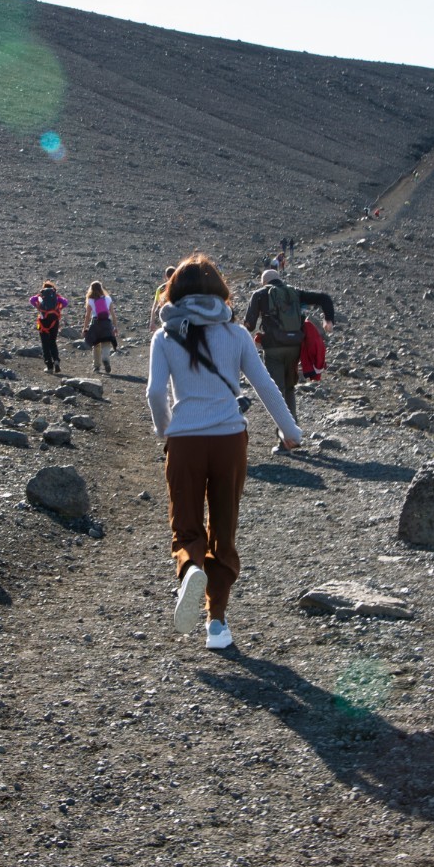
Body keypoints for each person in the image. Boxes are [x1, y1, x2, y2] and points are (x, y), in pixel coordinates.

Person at [147, 253, 302, 651]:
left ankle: (191, 570)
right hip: (230, 440)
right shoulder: (235, 335)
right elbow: (266, 385)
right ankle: (217, 623)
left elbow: (154, 394)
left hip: (184, 442)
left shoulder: (164, 338)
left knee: (186, 526)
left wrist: (168, 432)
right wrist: (290, 431)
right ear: (219, 291)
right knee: (225, 528)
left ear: (174, 292)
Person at [241, 268, 336, 429]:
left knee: (277, 392)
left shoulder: (260, 294)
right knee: (290, 388)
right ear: (279, 279)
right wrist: (329, 320)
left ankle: (284, 437)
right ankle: (293, 428)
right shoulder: (295, 293)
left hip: (273, 350)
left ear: (264, 282)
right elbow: (324, 298)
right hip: (295, 348)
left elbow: (249, 326)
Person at [29, 280, 69, 373]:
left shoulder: (40, 296)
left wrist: (38, 307)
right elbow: (66, 302)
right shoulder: (56, 297)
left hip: (43, 322)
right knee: (52, 341)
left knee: (45, 343)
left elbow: (31, 300)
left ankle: (49, 366)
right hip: (54, 321)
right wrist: (59, 308)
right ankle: (56, 360)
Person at [82, 280, 117, 374]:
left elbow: (87, 315)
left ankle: (96, 366)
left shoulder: (90, 300)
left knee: (96, 345)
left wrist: (85, 328)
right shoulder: (108, 298)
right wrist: (115, 326)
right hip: (107, 323)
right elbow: (113, 314)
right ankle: (105, 359)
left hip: (95, 323)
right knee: (106, 343)